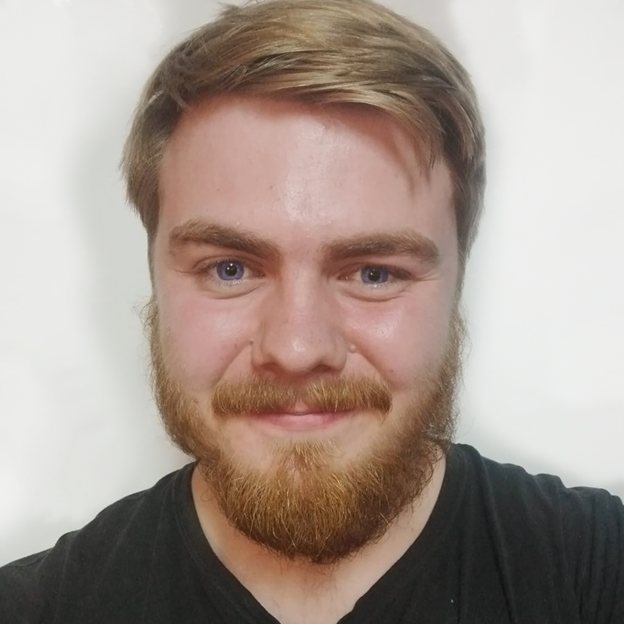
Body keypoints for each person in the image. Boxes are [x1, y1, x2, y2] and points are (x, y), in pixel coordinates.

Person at [0, 0, 622, 621]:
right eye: (230, 268)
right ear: (154, 280)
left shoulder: (596, 571)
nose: (297, 350)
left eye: (374, 273)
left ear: (457, 285)